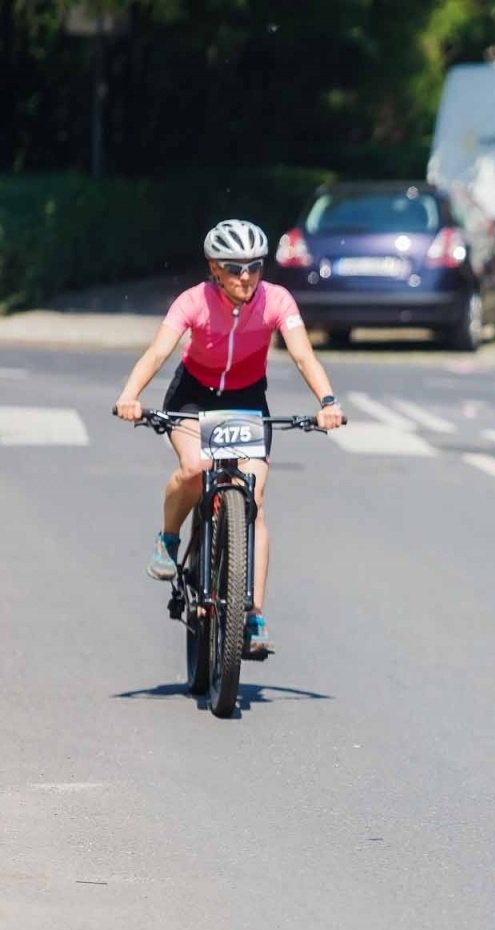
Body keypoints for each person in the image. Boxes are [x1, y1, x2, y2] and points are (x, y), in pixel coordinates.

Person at [113, 219, 345, 655]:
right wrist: (130, 396)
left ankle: (253, 613)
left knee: (253, 499)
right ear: (214, 269)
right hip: (193, 396)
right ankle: (167, 539)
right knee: (195, 468)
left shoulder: (277, 300)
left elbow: (302, 354)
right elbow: (159, 351)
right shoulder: (193, 301)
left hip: (246, 400)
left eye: (254, 266)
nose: (246, 277)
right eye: (234, 268)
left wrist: (328, 401)